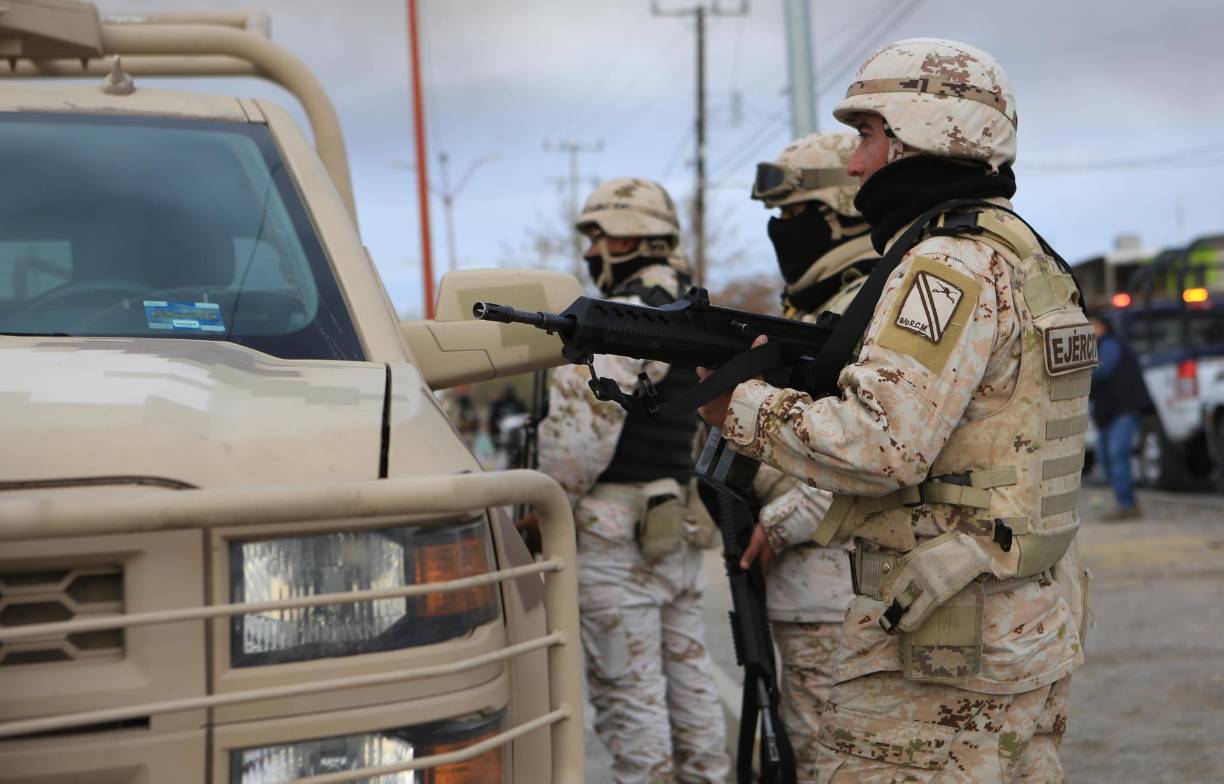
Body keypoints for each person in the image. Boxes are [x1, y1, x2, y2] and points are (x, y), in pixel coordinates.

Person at [699, 39, 1093, 780]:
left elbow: (881, 444)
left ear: (922, 130)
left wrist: (738, 406)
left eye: (867, 135)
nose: (855, 164)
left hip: (946, 652)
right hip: (1022, 623)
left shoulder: (946, 263)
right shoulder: (1027, 257)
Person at [528, 178, 729, 783]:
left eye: (596, 237)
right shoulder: (691, 309)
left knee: (629, 699)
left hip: (614, 535)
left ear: (624, 239)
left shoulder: (625, 317)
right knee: (691, 687)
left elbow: (575, 444)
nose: (591, 251)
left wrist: (537, 508)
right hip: (671, 524)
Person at [742, 131, 875, 779]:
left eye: (793, 216)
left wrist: (778, 524)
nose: (781, 231)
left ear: (842, 212)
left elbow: (872, 449)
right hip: (807, 586)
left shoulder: (872, 305)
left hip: (841, 579)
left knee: (833, 755)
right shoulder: (817, 307)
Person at [1088, 312, 1152, 520]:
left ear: (1102, 327)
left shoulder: (1109, 345)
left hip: (1122, 410)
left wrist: (1078, 374)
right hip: (1109, 412)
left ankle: (1127, 505)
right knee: (1107, 459)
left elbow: (1102, 370)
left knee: (1116, 455)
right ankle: (1125, 502)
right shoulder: (1101, 346)